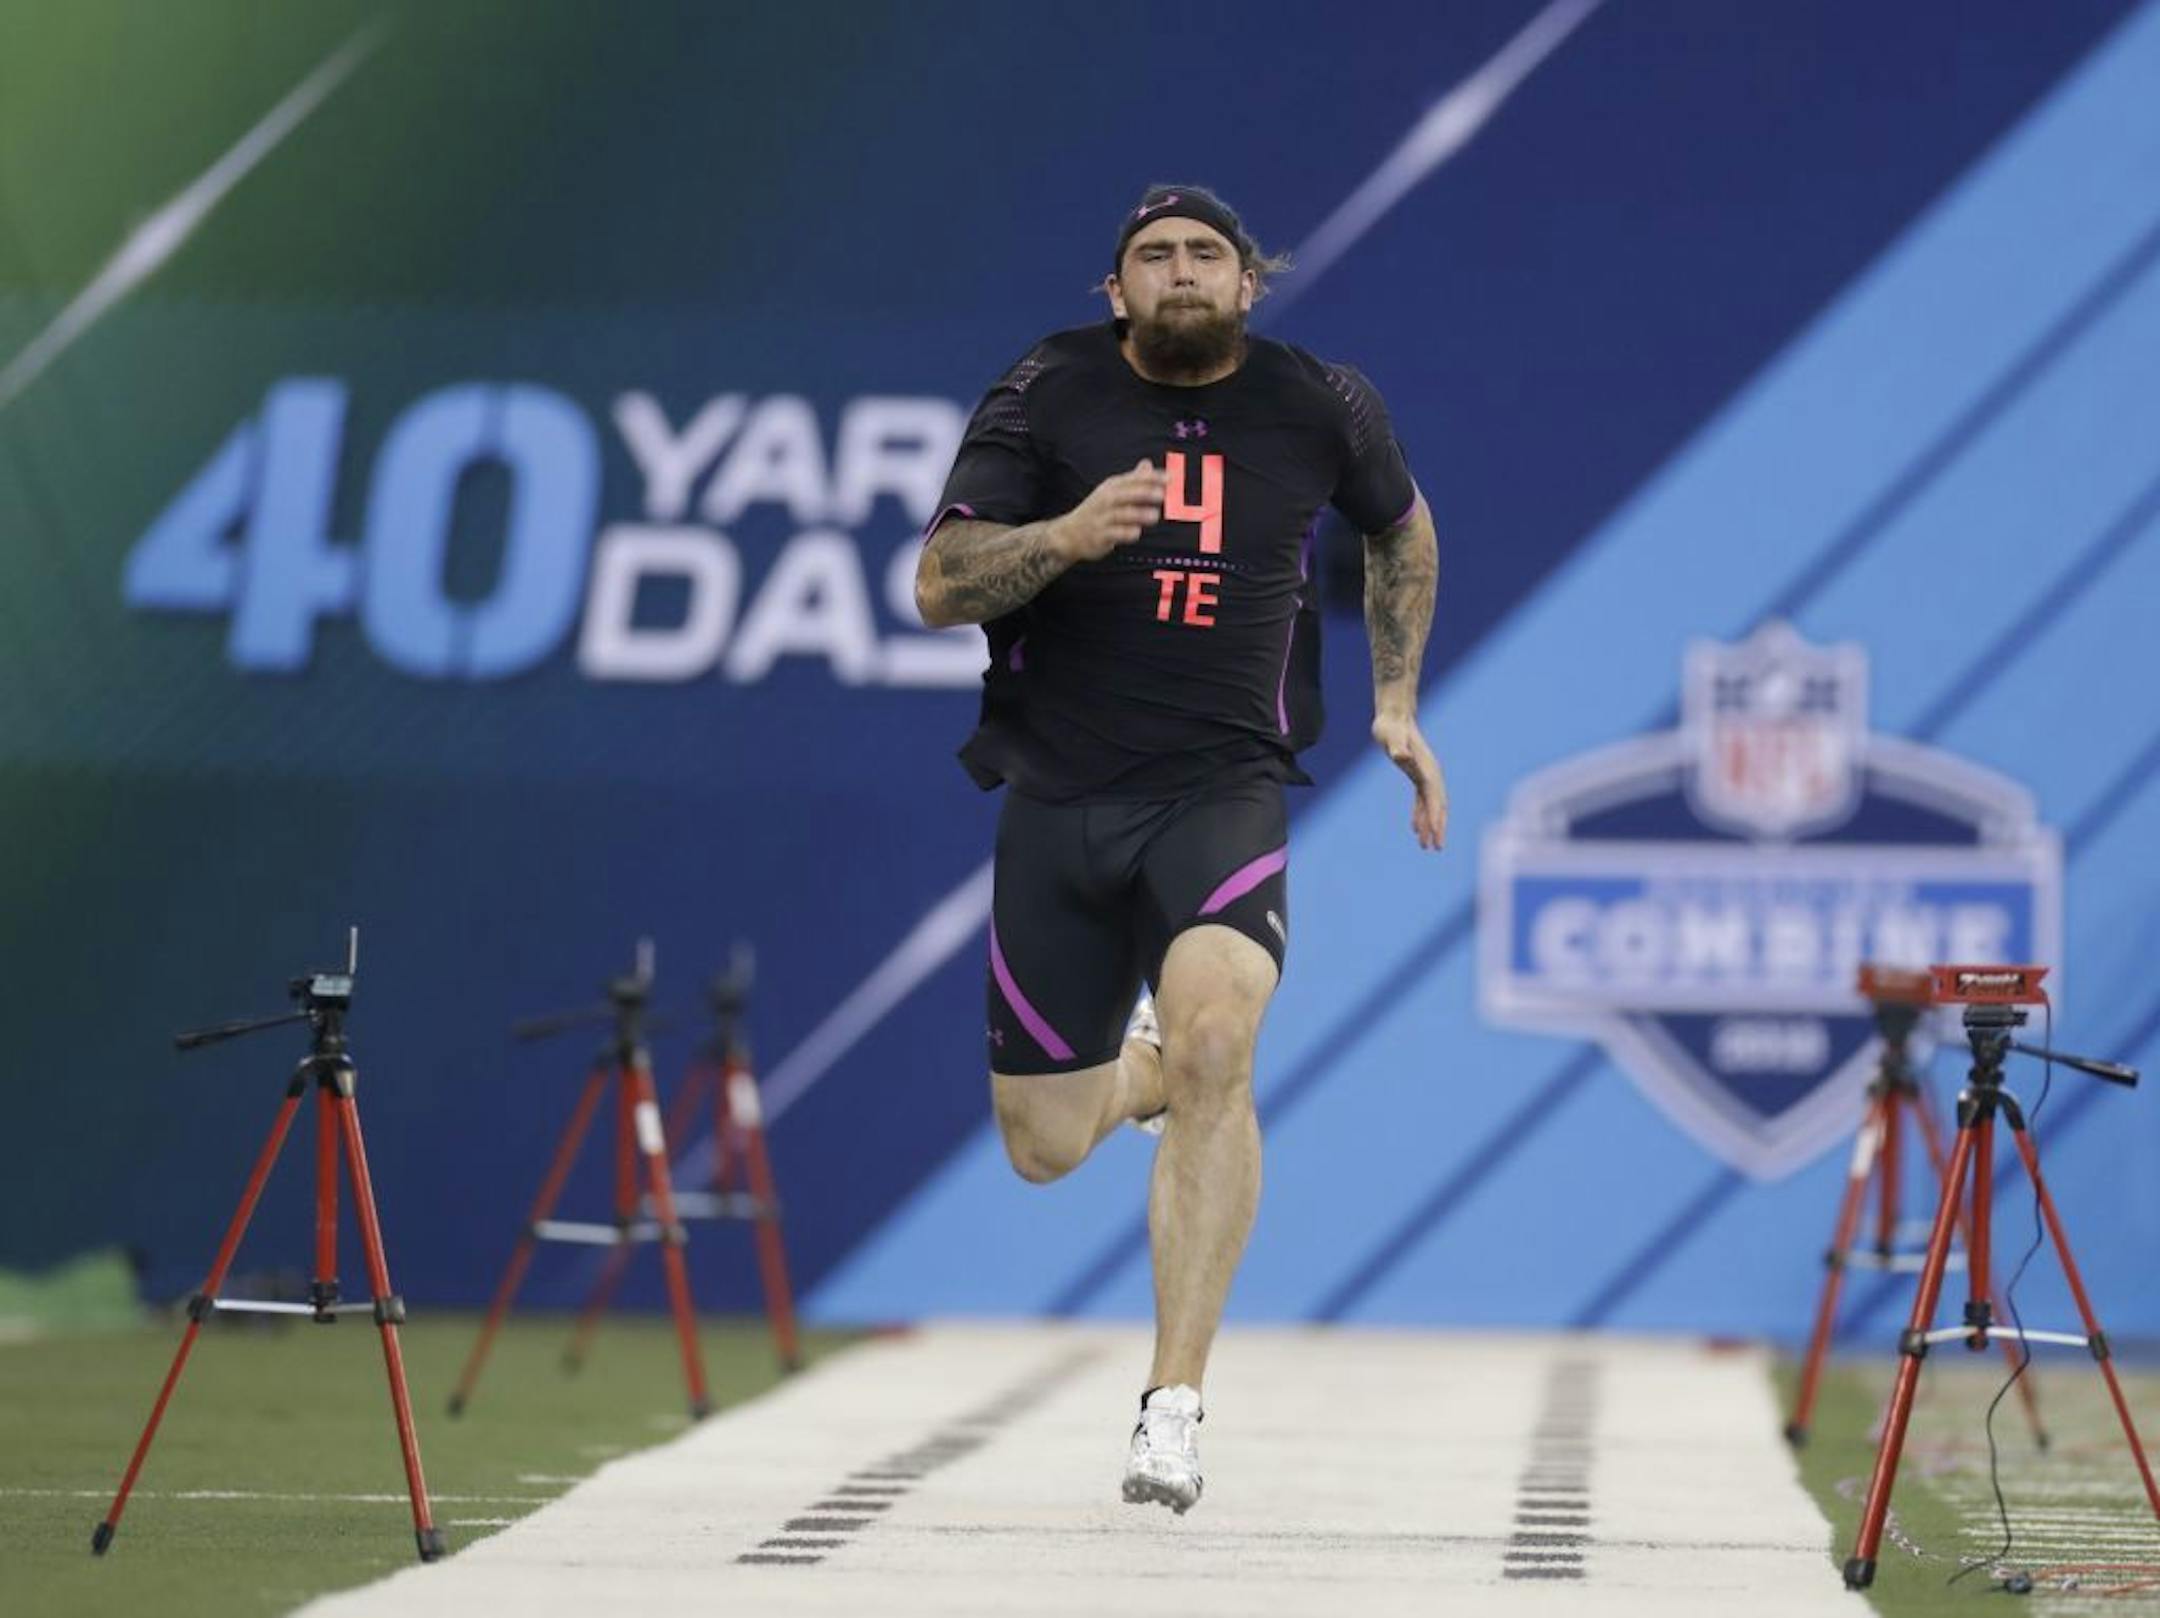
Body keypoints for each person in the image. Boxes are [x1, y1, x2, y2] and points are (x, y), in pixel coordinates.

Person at [914, 183, 1446, 1514]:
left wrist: (1394, 701)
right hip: (1058, 797)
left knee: (1222, 1040)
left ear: (1249, 281)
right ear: (1117, 292)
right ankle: (1137, 1069)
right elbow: (937, 583)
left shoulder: (1319, 400)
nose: (1182, 272)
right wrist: (1063, 534)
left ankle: (1173, 1403)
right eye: (1153, 257)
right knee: (1042, 1145)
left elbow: (1402, 527)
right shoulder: (1046, 390)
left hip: (1223, 789)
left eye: (1206, 253)